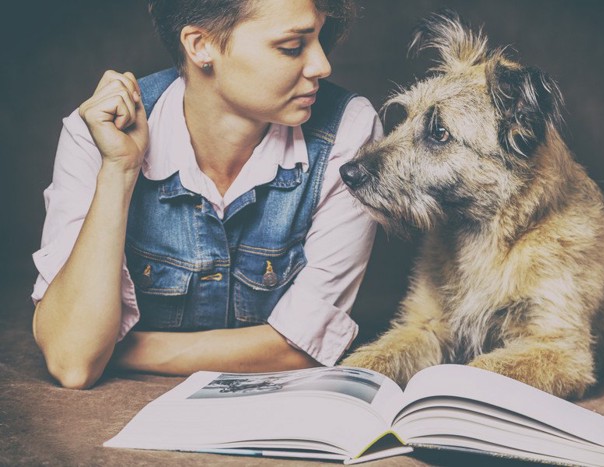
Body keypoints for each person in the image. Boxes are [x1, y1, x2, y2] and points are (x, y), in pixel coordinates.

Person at [31, 0, 381, 389]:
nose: (321, 65)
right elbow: (73, 362)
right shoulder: (96, 136)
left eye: (318, 38)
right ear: (200, 46)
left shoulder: (348, 133)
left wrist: (114, 350)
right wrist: (119, 171)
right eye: (292, 47)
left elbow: (300, 348)